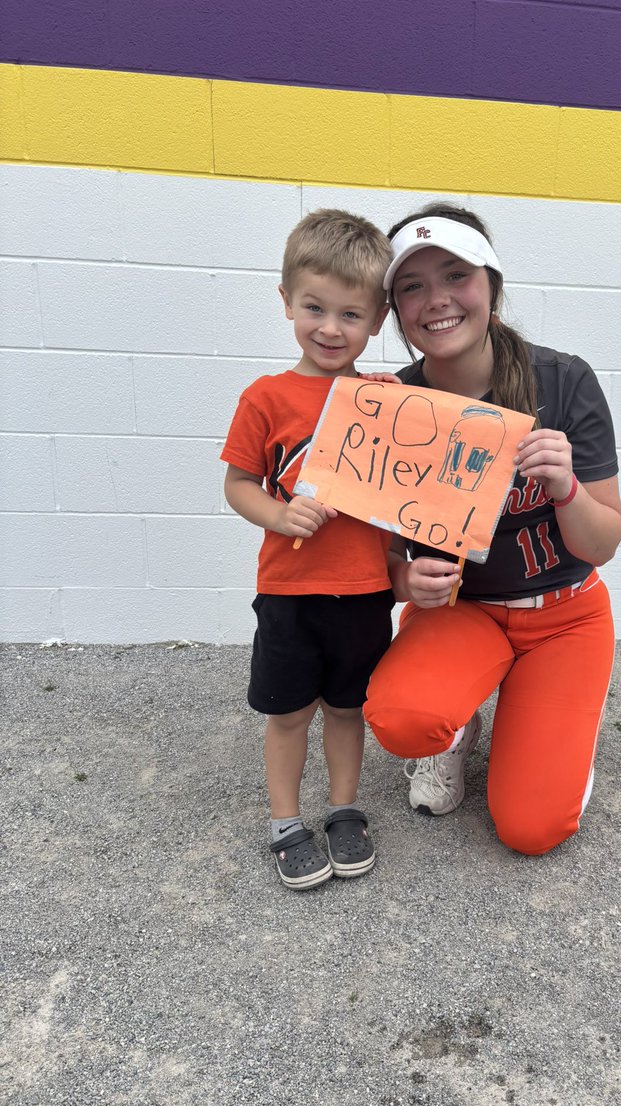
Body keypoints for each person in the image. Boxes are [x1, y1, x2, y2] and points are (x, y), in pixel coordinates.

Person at [363, 203, 621, 856]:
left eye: (456, 275)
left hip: (564, 614)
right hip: (463, 612)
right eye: (412, 286)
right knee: (401, 719)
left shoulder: (563, 380)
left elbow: (603, 544)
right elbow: (384, 557)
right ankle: (455, 733)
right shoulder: (394, 404)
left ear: (491, 287)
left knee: (531, 829)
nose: (437, 300)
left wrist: (566, 487)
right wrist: (401, 578)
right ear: (395, 309)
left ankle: (554, 746)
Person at [221, 209, 394, 890]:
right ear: (287, 299)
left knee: (349, 709)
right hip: (290, 591)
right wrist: (278, 513)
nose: (330, 327)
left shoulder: (384, 400)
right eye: (315, 307)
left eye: (351, 315)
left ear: (377, 321)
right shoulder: (265, 398)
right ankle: (286, 822)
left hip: (364, 591)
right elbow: (237, 485)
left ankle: (345, 810)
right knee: (290, 712)